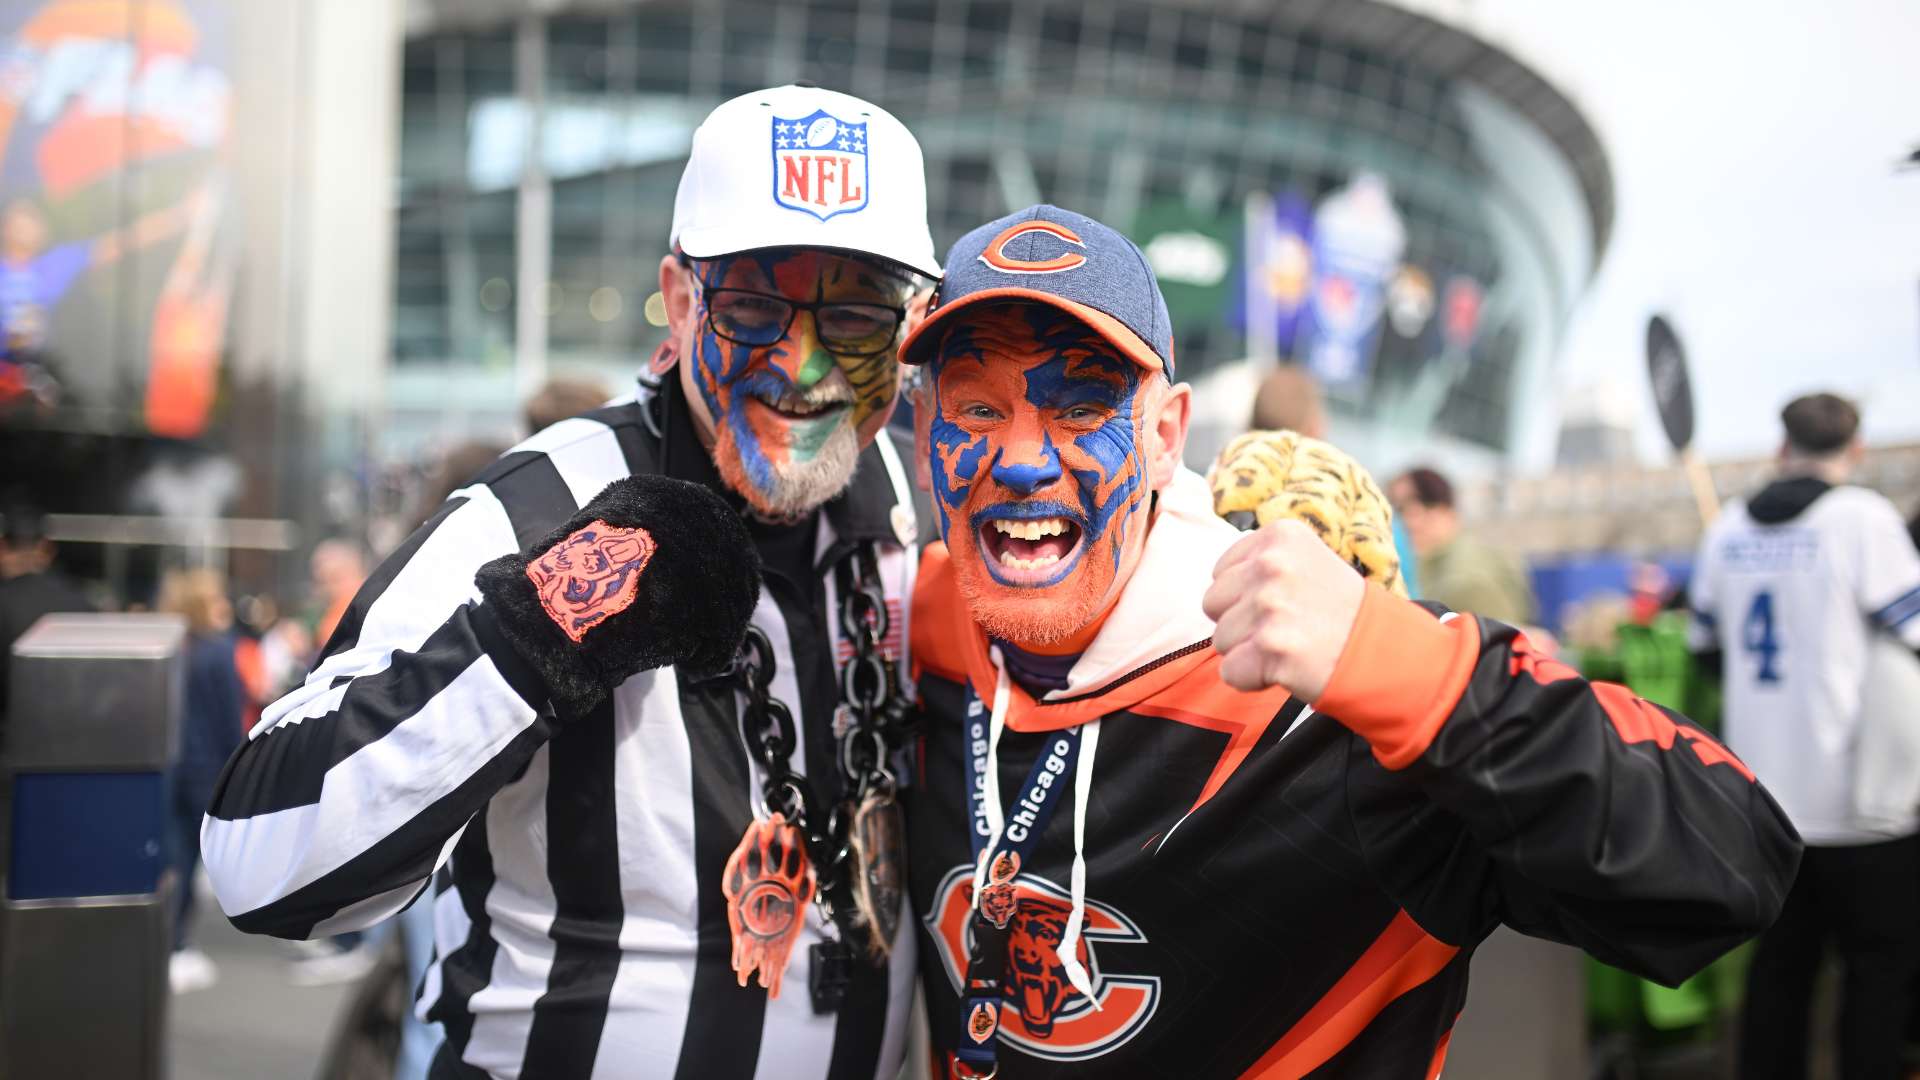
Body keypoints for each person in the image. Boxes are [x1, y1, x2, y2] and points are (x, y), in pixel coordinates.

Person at [898, 204, 1799, 1077]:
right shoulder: (910, 626)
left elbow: (1731, 865)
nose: (1020, 460)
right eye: (976, 411)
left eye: (1079, 409)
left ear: (1165, 435)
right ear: (923, 424)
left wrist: (1407, 668)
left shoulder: (1327, 708)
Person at [201, 84, 939, 1079]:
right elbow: (258, 855)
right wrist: (544, 626)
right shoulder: (537, 505)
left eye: (852, 313)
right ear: (681, 303)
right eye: (757, 307)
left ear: (910, 325)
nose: (803, 365)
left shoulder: (923, 506)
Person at [1689, 392, 1920, 1080]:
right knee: (1876, 974)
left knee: (1779, 973)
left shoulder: (1727, 525)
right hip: (1863, 806)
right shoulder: (1863, 520)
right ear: (1855, 450)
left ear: (1782, 445)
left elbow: (1707, 651)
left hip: (1765, 806)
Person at [158, 567, 246, 994]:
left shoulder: (172, 648)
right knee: (189, 860)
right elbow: (229, 721)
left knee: (170, 859)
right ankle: (176, 945)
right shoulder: (216, 653)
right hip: (204, 770)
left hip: (169, 768)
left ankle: (166, 940)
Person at [1390, 464, 1534, 624]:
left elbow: (1500, 639)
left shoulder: (1464, 576)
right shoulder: (1433, 562)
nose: (1404, 520)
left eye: (1404, 507)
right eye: (1398, 509)